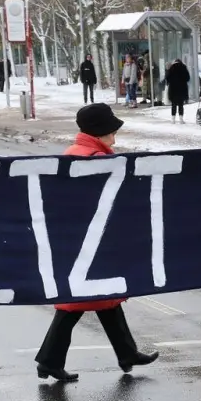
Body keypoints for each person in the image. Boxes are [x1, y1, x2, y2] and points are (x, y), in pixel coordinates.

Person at [34, 103, 160, 382]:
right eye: (111, 132)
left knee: (106, 300)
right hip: (89, 245)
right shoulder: (90, 159)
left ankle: (126, 353)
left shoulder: (79, 153)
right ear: (99, 132)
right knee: (75, 306)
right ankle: (49, 361)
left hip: (84, 242)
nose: (114, 138)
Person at [165, 56, 191, 122]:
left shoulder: (171, 68)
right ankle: (181, 119)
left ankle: (173, 119)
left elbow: (167, 78)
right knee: (181, 104)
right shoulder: (184, 67)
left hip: (173, 89)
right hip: (182, 89)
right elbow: (188, 78)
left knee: (173, 104)